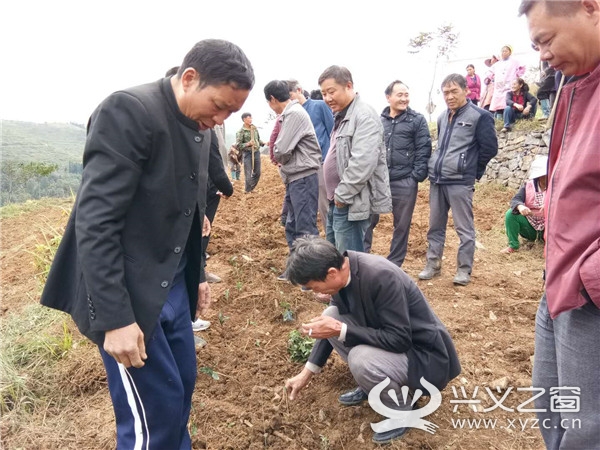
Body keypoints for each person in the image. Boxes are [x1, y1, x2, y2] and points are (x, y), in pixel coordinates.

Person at [39, 39, 254, 449]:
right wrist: (115, 319)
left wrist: (197, 276)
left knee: (178, 396)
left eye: (230, 110)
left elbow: (190, 211)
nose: (222, 117)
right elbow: (95, 221)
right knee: (151, 418)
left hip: (171, 284)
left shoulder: (199, 123)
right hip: (130, 294)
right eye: (220, 105)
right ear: (189, 78)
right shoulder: (129, 112)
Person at [284, 236, 461, 445]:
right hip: (394, 344)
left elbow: (399, 339)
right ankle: (372, 385)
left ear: (331, 273)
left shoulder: (380, 276)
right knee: (332, 314)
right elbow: (330, 328)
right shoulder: (344, 275)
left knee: (360, 358)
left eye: (314, 287)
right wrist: (306, 374)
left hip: (423, 356)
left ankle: (401, 410)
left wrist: (341, 329)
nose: (316, 293)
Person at [519, 1, 600, 448]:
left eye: (546, 40)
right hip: (561, 282)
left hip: (589, 293)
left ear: (589, 7)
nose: (543, 56)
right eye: (536, 46)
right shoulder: (577, 87)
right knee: (553, 407)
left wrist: (590, 277)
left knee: (587, 429)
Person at [419, 74, 498, 286]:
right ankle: (432, 264)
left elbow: (490, 148)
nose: (450, 96)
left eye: (454, 91)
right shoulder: (443, 117)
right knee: (435, 226)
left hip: (460, 181)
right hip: (438, 180)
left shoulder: (480, 116)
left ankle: (464, 270)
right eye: (446, 92)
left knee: (464, 229)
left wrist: (472, 170)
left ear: (466, 91)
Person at [318, 65, 392, 253]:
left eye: (331, 92)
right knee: (335, 256)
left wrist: (342, 196)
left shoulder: (364, 115)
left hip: (350, 202)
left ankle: (353, 285)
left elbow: (363, 163)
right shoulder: (342, 116)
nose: (327, 98)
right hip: (337, 201)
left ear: (349, 86)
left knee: (349, 260)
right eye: (323, 93)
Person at [364, 80, 432, 267]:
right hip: (379, 180)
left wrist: (416, 176)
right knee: (368, 219)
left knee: (401, 225)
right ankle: (362, 257)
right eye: (399, 95)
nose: (404, 99)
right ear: (388, 97)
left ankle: (394, 263)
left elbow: (424, 148)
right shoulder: (379, 120)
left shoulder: (416, 120)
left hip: (404, 181)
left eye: (406, 95)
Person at [264, 80, 321, 270]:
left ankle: (312, 272)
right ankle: (298, 269)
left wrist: (279, 152)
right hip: (294, 177)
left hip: (303, 177)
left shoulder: (294, 113)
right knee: (292, 225)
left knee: (305, 228)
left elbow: (281, 149)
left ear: (272, 99)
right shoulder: (288, 114)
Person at [287, 79, 334, 232]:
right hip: (303, 167)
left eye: (291, 95)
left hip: (321, 162)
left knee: (325, 203)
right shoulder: (291, 113)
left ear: (299, 90)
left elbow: (332, 131)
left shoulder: (318, 106)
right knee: (310, 205)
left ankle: (331, 238)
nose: (290, 99)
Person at [500, 155, 547, 253]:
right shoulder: (528, 186)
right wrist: (520, 206)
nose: (546, 177)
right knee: (510, 214)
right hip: (531, 227)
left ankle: (551, 245)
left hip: (548, 228)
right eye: (543, 175)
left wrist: (550, 205)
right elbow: (515, 199)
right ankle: (513, 245)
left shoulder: (556, 188)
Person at [489, 45, 526, 114]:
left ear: (510, 53)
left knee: (508, 100)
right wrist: (488, 78)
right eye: (502, 51)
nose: (504, 53)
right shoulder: (497, 64)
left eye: (506, 51)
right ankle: (499, 118)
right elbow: (490, 72)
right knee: (498, 101)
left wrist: (517, 74)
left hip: (510, 84)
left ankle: (508, 115)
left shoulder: (514, 61)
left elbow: (523, 67)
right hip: (499, 86)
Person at [236, 112, 266, 193]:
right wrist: (248, 144)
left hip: (256, 152)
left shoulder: (254, 129)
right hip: (248, 154)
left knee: (257, 173)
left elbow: (257, 139)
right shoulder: (241, 132)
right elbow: (238, 145)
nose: (250, 119)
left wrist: (264, 143)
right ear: (244, 119)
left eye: (251, 118)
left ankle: (250, 188)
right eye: (248, 118)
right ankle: (248, 190)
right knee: (248, 173)